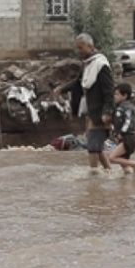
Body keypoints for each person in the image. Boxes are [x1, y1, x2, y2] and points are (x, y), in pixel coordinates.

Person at [52, 33, 115, 172]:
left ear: (90, 46)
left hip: (101, 113)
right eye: (77, 48)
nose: (78, 51)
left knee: (93, 146)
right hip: (91, 111)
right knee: (96, 146)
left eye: (81, 48)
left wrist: (107, 112)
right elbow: (78, 83)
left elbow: (109, 91)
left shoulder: (101, 64)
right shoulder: (88, 64)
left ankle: (93, 180)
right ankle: (109, 173)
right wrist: (62, 88)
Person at [108, 82, 135, 175]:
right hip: (126, 138)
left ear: (125, 96)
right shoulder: (120, 107)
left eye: (117, 94)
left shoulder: (126, 107)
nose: (114, 96)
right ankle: (133, 181)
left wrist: (121, 133)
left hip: (128, 138)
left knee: (112, 158)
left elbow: (127, 122)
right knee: (125, 167)